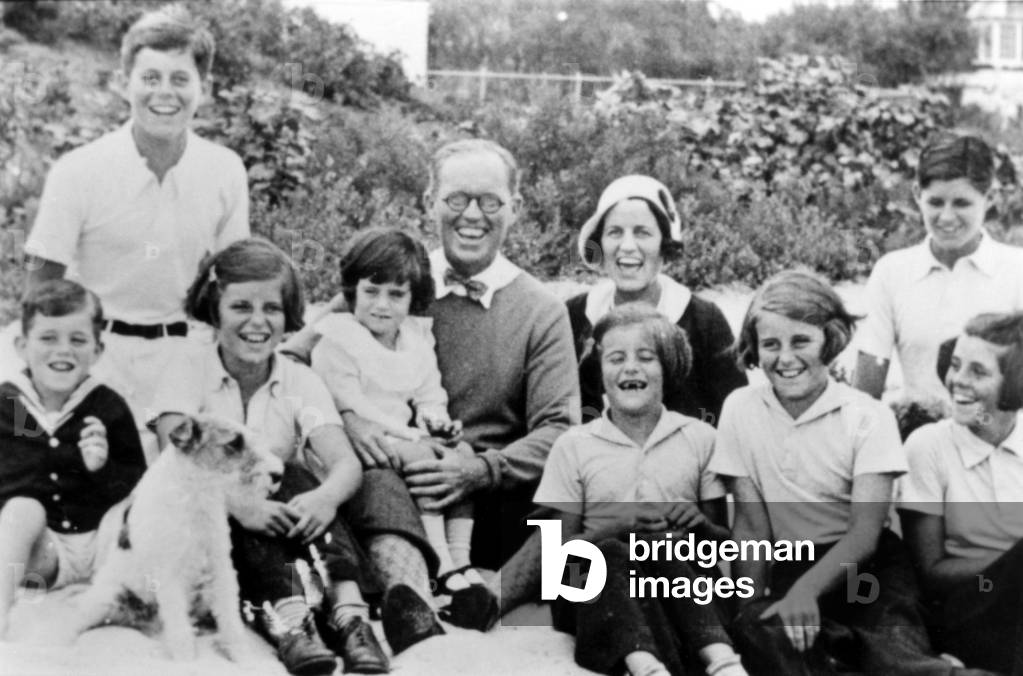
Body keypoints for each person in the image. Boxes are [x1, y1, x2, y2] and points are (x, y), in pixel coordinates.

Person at [151, 239, 395, 676]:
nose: (258, 322)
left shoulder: (298, 380)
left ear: (288, 317)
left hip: (282, 526)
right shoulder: (189, 368)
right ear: (214, 310)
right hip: (208, 528)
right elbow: (176, 451)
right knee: (233, 487)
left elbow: (345, 463)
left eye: (273, 309)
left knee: (301, 478)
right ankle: (290, 622)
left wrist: (325, 499)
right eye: (241, 306)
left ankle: (351, 616)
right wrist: (242, 507)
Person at [23, 6, 249, 458]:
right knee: (64, 471)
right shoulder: (79, 170)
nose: (165, 93)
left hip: (187, 353)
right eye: (150, 77)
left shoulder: (224, 170)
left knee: (193, 485)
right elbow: (42, 284)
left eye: (180, 79)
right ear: (125, 81)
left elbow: (235, 278)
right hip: (99, 355)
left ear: (202, 87)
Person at [710, 270, 959, 676]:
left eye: (801, 341)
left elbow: (865, 533)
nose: (785, 358)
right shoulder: (740, 408)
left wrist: (808, 590)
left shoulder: (868, 416)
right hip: (792, 566)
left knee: (892, 655)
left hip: (867, 567)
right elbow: (752, 528)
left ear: (831, 339)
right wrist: (747, 612)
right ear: (754, 348)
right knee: (765, 637)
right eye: (770, 344)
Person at [495, 304, 747, 676]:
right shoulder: (574, 445)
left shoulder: (700, 438)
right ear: (599, 372)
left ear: (668, 367)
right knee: (610, 553)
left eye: (646, 358)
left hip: (679, 587)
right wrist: (620, 526)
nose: (630, 367)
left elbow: (719, 547)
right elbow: (557, 557)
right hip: (591, 591)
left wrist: (697, 525)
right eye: (616, 358)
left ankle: (721, 661)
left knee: (664, 548)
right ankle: (644, 666)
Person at [310, 229, 491, 600]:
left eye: (396, 294)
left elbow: (428, 394)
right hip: (357, 441)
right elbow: (349, 407)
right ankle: (441, 562)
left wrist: (437, 425)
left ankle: (461, 557)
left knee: (462, 458)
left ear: (413, 297)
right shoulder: (339, 341)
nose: (382, 305)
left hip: (402, 436)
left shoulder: (414, 339)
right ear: (352, 292)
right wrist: (415, 440)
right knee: (427, 457)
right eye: (371, 292)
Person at [0, 280, 146, 638]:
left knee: (134, 512)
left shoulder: (106, 406)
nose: (63, 350)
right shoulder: (9, 405)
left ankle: (131, 600)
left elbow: (137, 485)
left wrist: (103, 468)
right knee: (21, 510)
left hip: (103, 544)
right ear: (22, 346)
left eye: (78, 340)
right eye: (48, 338)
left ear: (97, 350)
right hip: (46, 553)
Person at [854, 133, 1023, 405]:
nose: (946, 217)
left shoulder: (1017, 271)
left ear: (989, 198)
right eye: (935, 202)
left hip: (999, 435)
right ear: (917, 195)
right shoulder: (892, 272)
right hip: (916, 437)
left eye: (962, 203)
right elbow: (866, 390)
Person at [567, 174, 746, 425]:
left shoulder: (704, 321)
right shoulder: (574, 316)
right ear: (600, 243)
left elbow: (735, 417)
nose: (627, 246)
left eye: (643, 233)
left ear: (665, 244)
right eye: (615, 232)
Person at [899, 311, 1023, 674]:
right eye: (956, 365)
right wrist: (1013, 564)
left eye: (978, 372)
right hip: (967, 606)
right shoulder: (929, 446)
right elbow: (930, 571)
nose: (958, 381)